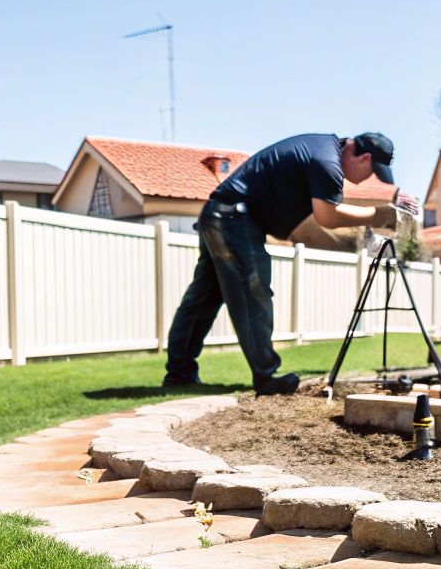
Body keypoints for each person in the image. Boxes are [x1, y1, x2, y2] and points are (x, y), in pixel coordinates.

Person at [164, 132, 419, 395]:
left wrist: (381, 214)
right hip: (234, 220)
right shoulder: (327, 162)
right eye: (372, 171)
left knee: (202, 299)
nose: (368, 178)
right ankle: (266, 378)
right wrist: (381, 215)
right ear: (365, 157)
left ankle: (178, 373)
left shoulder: (321, 150)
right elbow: (328, 216)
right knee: (253, 293)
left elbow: (325, 211)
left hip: (219, 213)